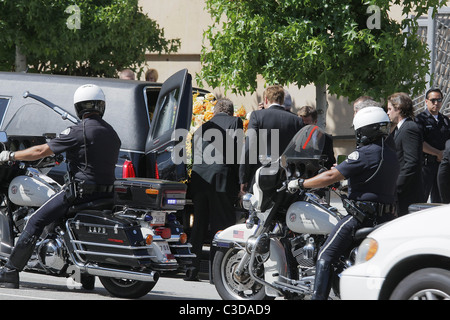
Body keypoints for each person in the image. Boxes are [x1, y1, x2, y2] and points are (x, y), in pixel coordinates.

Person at [0, 84, 121, 288]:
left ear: (78, 107)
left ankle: (10, 273)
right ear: (101, 106)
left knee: (35, 222)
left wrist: (10, 155)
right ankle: (84, 277)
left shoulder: (78, 131)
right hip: (106, 195)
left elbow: (40, 151)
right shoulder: (111, 133)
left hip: (79, 194)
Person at [288, 106, 399, 300]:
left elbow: (330, 175)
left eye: (358, 131)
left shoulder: (364, 153)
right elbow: (374, 182)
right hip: (386, 216)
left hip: (361, 218)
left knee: (325, 255)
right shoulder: (389, 153)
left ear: (366, 130)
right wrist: (348, 187)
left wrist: (300, 183)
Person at [186, 98, 243, 281]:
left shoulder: (201, 127)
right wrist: (242, 182)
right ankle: (216, 275)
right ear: (231, 112)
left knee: (198, 227)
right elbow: (238, 154)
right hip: (222, 180)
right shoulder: (235, 122)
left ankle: (191, 270)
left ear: (216, 110)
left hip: (200, 180)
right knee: (221, 227)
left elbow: (194, 156)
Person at [239, 85, 303, 195]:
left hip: (261, 176)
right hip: (287, 177)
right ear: (282, 100)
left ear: (265, 99)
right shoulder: (297, 120)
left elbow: (249, 147)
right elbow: (299, 150)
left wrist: (243, 178)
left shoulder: (257, 116)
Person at [386, 92, 423, 215]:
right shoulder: (398, 129)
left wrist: (396, 187)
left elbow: (412, 162)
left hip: (407, 193)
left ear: (399, 109)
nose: (388, 112)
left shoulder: (409, 128)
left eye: (390, 109)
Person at [415, 88, 450, 203]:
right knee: (421, 199)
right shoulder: (420, 120)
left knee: (440, 200)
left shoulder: (445, 120)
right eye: (433, 100)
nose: (436, 103)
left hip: (442, 166)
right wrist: (438, 153)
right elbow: (419, 142)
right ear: (426, 101)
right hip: (426, 166)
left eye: (439, 100)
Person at [297, 105, 336, 169]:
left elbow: (330, 162)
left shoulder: (327, 139)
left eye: (307, 125)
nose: (303, 128)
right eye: (301, 124)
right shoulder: (296, 138)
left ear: (315, 122)